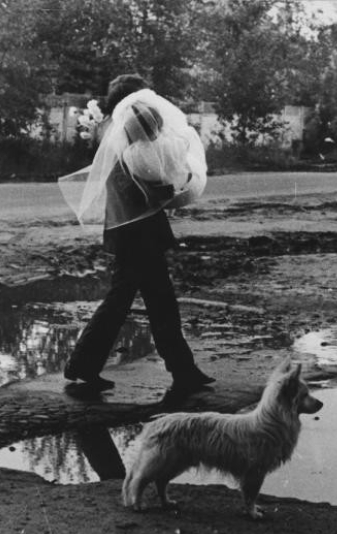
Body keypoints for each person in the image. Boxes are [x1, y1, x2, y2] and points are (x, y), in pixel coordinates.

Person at [58, 74, 213, 393]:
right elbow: (139, 182)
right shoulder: (127, 137)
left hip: (133, 228)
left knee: (152, 300)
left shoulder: (118, 134)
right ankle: (85, 365)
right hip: (136, 230)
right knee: (143, 300)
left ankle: (180, 370)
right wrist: (168, 188)